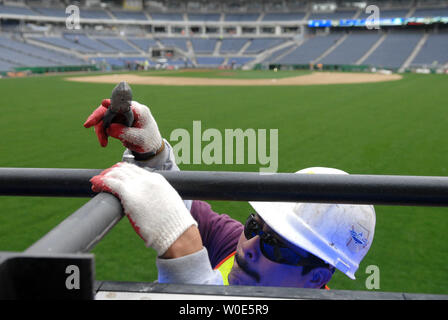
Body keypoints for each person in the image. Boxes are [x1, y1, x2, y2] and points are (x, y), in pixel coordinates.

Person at [84, 99, 376, 288]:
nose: (249, 247)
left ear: (317, 277)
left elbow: (181, 229)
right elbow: (184, 209)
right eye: (255, 226)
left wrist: (184, 256)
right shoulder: (239, 244)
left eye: (274, 245)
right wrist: (153, 153)